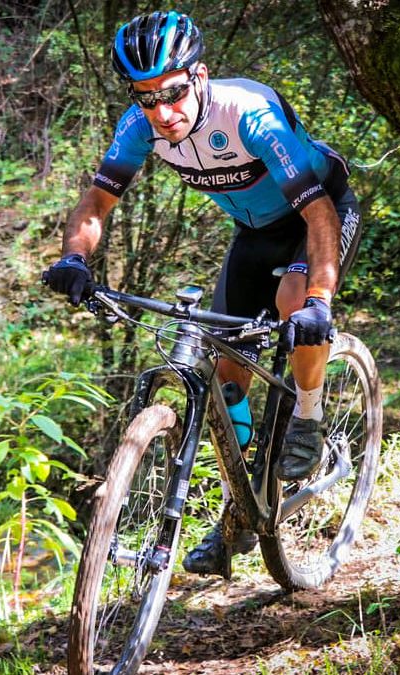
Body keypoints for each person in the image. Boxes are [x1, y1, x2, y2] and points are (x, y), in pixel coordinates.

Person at [44, 11, 363, 576]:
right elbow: (95, 204)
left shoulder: (249, 116)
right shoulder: (140, 126)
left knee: (296, 304)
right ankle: (237, 519)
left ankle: (308, 416)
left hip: (320, 215)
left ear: (201, 75)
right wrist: (74, 259)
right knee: (224, 379)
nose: (162, 112)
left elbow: (316, 214)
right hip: (254, 235)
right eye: (146, 98)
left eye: (172, 92)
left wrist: (320, 299)